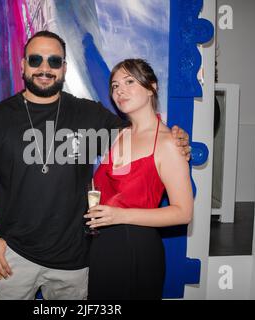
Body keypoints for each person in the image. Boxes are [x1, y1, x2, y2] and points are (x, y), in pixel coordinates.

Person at [0, 31, 190, 300]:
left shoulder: (90, 114)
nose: (45, 68)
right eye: (35, 60)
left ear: (64, 69)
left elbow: (141, 133)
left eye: (54, 62)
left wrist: (177, 137)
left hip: (75, 262)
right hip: (13, 257)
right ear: (22, 65)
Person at [84, 58, 194, 300]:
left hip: (137, 251)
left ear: (151, 87)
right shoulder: (118, 135)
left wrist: (120, 215)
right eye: (114, 86)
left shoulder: (168, 143)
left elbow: (183, 212)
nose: (120, 90)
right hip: (102, 248)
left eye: (129, 81)